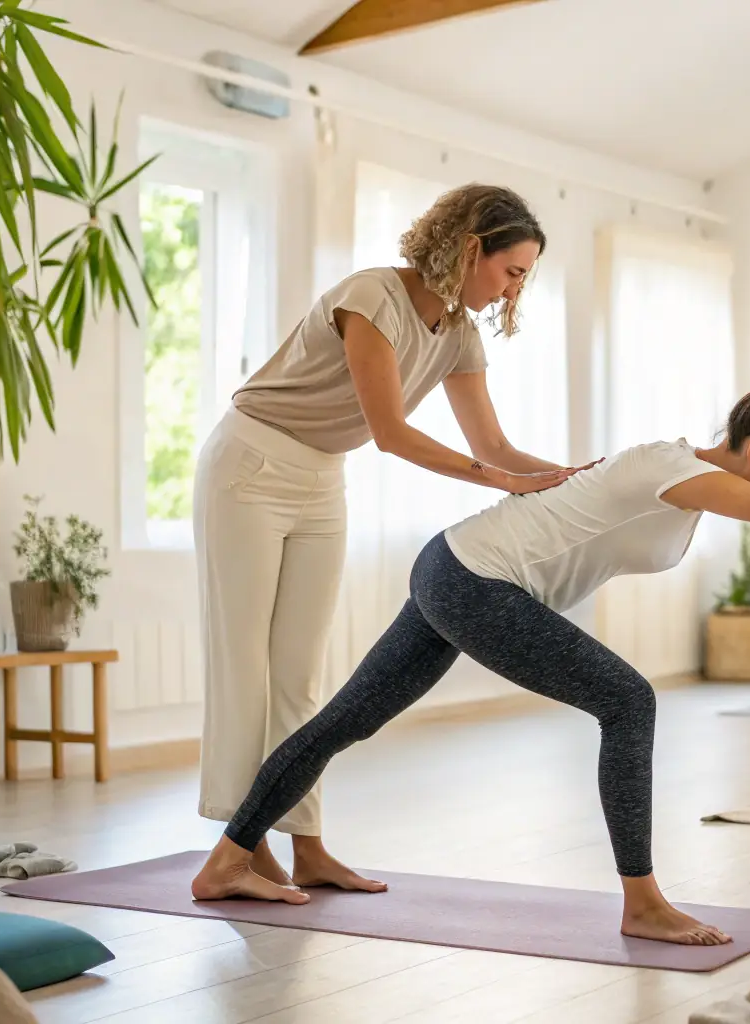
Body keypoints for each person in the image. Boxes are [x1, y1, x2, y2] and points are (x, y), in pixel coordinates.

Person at [189, 364, 750, 946]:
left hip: (457, 567)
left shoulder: (686, 489)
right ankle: (643, 902)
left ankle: (231, 854)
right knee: (629, 699)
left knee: (349, 717)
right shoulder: (669, 466)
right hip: (469, 576)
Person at [193, 183, 585, 895]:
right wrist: (503, 482)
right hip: (249, 464)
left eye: (523, 276)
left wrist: (576, 476)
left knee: (299, 675)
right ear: (471, 248)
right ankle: (238, 853)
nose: (513, 289)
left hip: (319, 478)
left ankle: (305, 844)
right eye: (512, 270)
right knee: (243, 665)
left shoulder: (459, 334)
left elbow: (492, 442)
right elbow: (392, 433)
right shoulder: (371, 296)